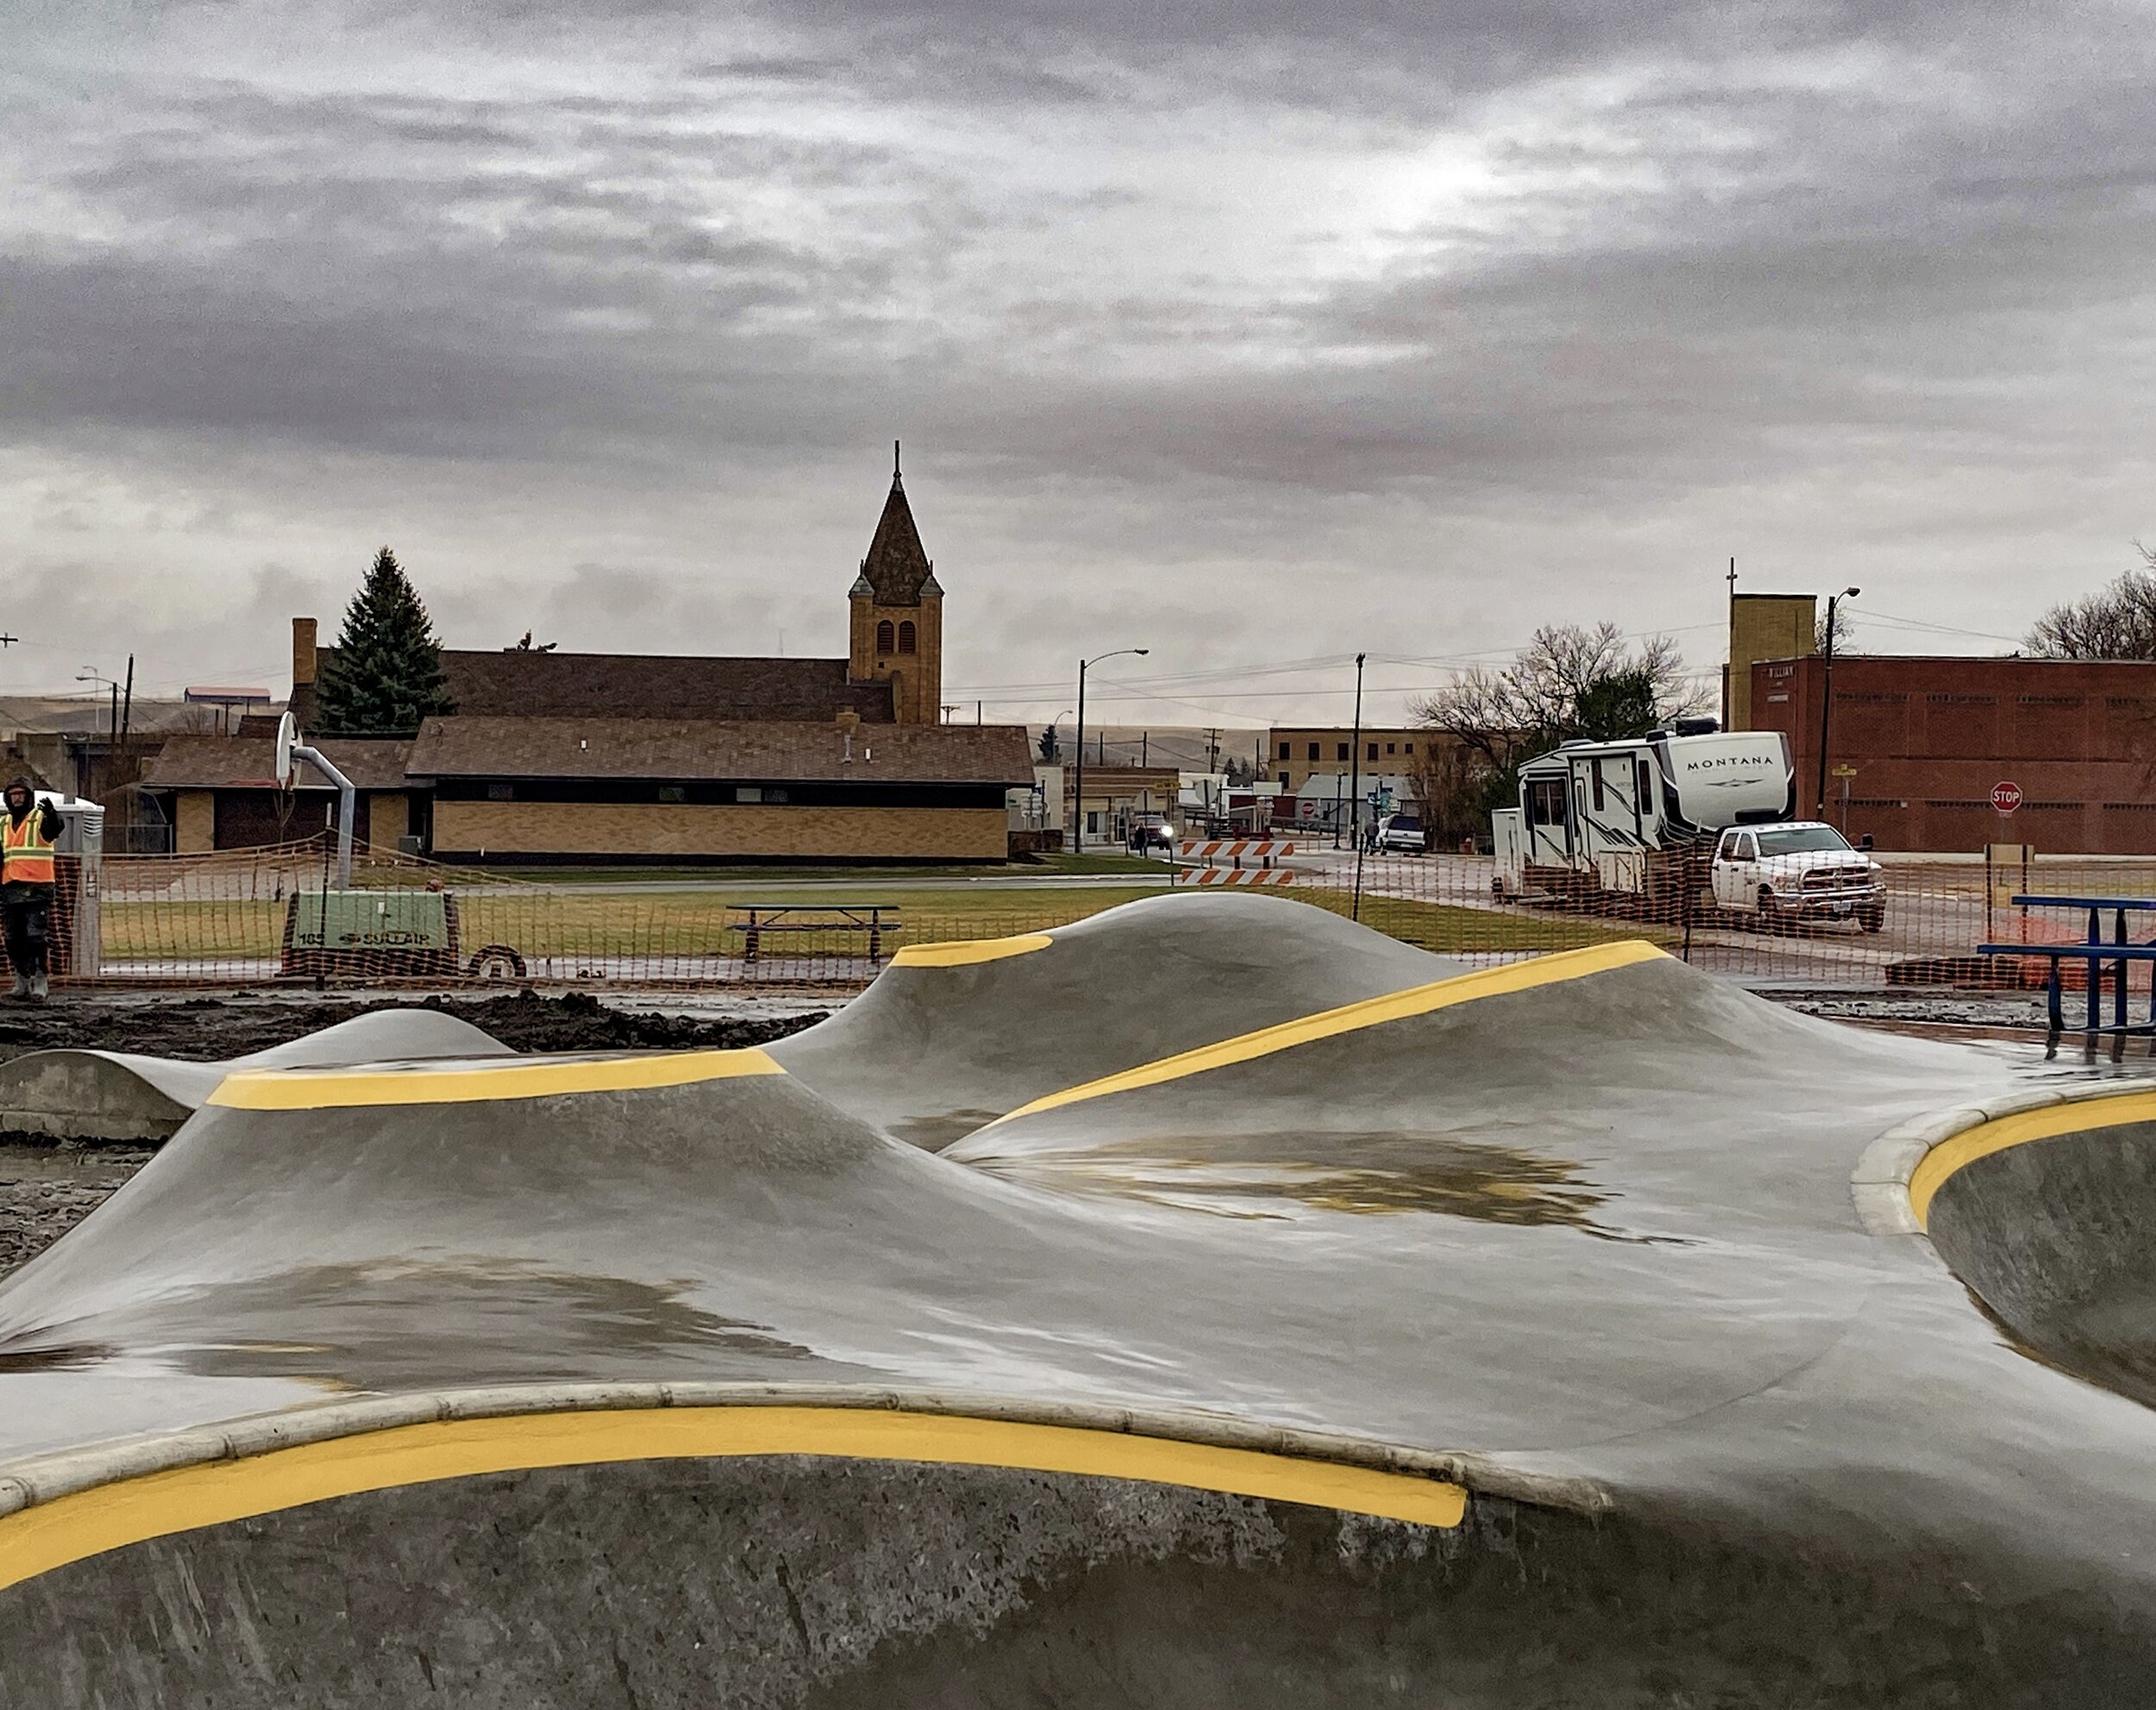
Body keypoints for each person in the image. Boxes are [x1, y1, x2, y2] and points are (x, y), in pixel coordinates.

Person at [1, 780, 62, 1002]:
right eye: (13, 794)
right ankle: (23, 979)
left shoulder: (39, 818)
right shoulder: (3, 823)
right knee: (12, 938)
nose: (17, 798)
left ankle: (40, 979)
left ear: (29, 797)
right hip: (11, 888)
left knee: (35, 936)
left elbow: (54, 830)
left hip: (37, 887)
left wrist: (53, 816)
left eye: (21, 794)